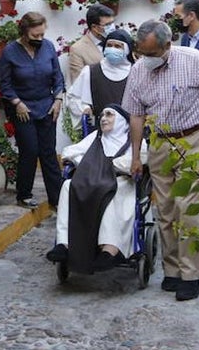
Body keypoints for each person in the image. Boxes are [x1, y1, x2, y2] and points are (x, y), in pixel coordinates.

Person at [123, 20, 199, 302]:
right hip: (159, 143)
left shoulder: (194, 61)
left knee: (190, 209)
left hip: (195, 139)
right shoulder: (138, 70)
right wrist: (135, 156)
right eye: (142, 53)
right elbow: (135, 114)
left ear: (168, 45)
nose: (147, 60)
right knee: (166, 210)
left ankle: (191, 276)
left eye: (152, 54)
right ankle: (172, 271)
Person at [45, 106, 148, 273]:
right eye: (102, 115)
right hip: (92, 179)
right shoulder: (96, 137)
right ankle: (64, 244)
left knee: (109, 191)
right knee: (67, 186)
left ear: (122, 120)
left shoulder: (135, 140)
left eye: (109, 115)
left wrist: (104, 164)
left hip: (120, 181)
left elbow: (140, 159)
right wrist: (89, 163)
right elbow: (68, 152)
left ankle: (110, 249)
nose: (103, 118)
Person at [0, 11, 66, 209]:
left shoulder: (49, 47)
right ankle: (24, 194)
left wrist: (58, 98)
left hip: (47, 107)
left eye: (42, 34)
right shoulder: (10, 52)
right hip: (23, 109)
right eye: (35, 36)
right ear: (24, 32)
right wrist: (17, 102)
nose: (40, 39)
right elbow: (5, 84)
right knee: (29, 151)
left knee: (49, 153)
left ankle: (57, 198)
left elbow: (57, 77)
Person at [65, 28, 136, 128]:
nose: (112, 49)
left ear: (127, 50)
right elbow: (74, 97)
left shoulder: (136, 72)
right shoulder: (90, 71)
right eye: (109, 45)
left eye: (118, 46)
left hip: (130, 132)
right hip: (100, 131)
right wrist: (84, 108)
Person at [67, 4, 116, 84]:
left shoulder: (117, 40)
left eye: (112, 23)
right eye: (107, 25)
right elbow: (78, 83)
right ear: (94, 27)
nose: (112, 27)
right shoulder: (78, 49)